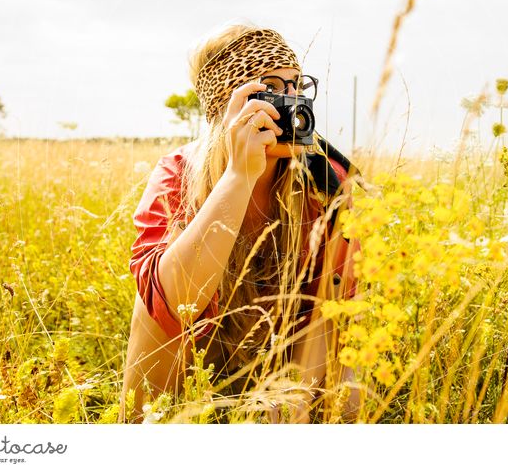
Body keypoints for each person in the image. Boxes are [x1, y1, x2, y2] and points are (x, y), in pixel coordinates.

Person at [120, 24, 362, 423]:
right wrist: (238, 177)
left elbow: (327, 313)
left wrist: (292, 400)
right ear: (227, 109)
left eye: (297, 86)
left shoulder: (329, 180)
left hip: (290, 343)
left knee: (349, 399)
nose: (292, 103)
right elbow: (170, 304)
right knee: (153, 296)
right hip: (204, 344)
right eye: (271, 88)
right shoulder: (178, 173)